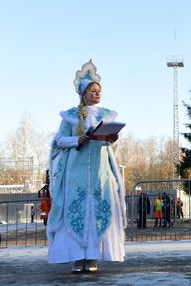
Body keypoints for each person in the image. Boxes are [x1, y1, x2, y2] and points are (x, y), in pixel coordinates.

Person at [46, 60, 126, 273]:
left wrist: (112, 138)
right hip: (76, 175)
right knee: (76, 212)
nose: (97, 94)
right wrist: (76, 140)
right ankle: (76, 258)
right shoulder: (70, 116)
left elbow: (111, 146)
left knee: (96, 213)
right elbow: (58, 140)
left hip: (100, 175)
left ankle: (92, 258)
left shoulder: (106, 115)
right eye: (93, 91)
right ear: (84, 93)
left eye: (99, 90)